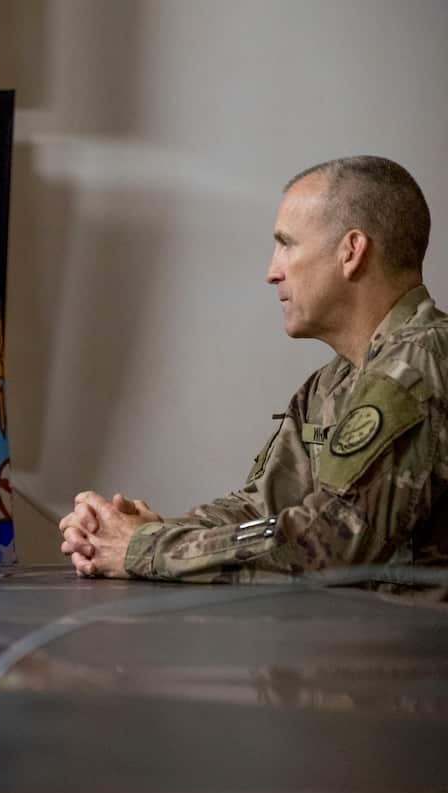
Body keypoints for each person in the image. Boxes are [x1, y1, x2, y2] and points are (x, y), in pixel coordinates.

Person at [60, 156, 446, 581]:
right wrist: (151, 532)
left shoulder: (417, 363)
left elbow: (328, 542)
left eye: (287, 244)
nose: (271, 272)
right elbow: (262, 509)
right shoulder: (333, 382)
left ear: (351, 251)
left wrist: (146, 548)